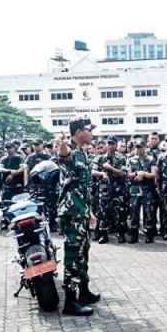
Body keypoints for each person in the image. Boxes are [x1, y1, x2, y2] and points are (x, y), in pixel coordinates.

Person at [57, 117, 103, 316]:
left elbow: (83, 188)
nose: (92, 133)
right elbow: (63, 156)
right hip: (72, 213)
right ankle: (70, 301)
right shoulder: (71, 151)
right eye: (88, 130)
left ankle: (83, 291)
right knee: (73, 255)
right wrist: (63, 145)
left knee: (83, 253)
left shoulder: (83, 153)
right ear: (78, 132)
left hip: (82, 211)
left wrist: (90, 212)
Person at [97, 136, 129, 244]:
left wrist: (110, 168)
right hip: (105, 190)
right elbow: (91, 170)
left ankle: (120, 234)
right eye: (108, 144)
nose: (110, 146)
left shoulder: (122, 158)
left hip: (118, 190)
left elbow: (124, 173)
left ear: (116, 145)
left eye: (112, 144)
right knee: (103, 213)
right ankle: (103, 235)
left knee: (120, 212)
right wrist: (102, 173)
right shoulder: (100, 158)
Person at [127, 139, 157, 244]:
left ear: (145, 147)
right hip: (134, 190)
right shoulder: (131, 160)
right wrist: (136, 174)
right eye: (137, 147)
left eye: (141, 147)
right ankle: (133, 235)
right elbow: (128, 174)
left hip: (147, 190)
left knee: (148, 212)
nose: (139, 149)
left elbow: (154, 174)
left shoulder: (151, 159)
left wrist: (144, 174)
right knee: (134, 213)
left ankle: (149, 234)